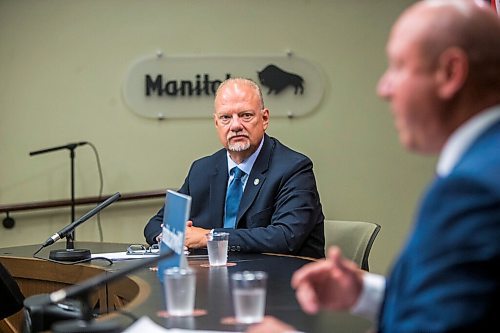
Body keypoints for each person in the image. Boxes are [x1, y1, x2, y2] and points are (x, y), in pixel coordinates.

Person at [247, 0, 500, 332]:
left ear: (451, 72)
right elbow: (464, 307)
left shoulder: (473, 189)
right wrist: (365, 293)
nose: (384, 89)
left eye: (398, 66)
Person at [144, 78, 325, 259]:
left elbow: (286, 237)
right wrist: (172, 238)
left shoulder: (294, 168)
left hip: (283, 280)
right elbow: (157, 224)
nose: (236, 125)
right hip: (215, 279)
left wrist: (208, 237)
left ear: (265, 118)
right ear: (216, 123)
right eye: (226, 118)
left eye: (246, 115)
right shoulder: (202, 169)